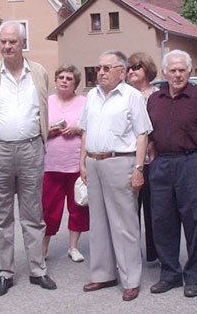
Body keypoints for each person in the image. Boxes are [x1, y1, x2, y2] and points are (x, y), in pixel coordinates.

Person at [0, 21, 56, 297]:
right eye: (3, 41)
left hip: (32, 149)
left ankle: (37, 269)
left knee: (33, 213)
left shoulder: (39, 73)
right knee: (1, 216)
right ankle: (4, 273)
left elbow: (43, 109)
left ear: (23, 43)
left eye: (13, 41)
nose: (7, 46)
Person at [79, 50, 152, 301]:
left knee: (124, 224)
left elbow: (142, 134)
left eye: (107, 68)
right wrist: (83, 162)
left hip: (120, 162)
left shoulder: (131, 97)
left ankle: (131, 279)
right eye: (99, 68)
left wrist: (139, 168)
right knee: (97, 222)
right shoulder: (91, 95)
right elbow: (85, 130)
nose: (101, 72)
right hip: (94, 162)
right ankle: (103, 274)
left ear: (122, 72)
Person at [147, 49, 197, 298]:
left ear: (190, 71)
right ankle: (170, 273)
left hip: (190, 163)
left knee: (193, 221)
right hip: (162, 165)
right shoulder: (154, 99)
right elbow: (150, 136)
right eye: (172, 70)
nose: (177, 75)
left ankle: (193, 276)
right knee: (162, 221)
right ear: (164, 72)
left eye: (182, 70)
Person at [41, 64, 89, 261]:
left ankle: (73, 247)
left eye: (69, 78)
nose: (64, 81)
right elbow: (35, 129)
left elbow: (89, 129)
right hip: (50, 164)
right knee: (48, 209)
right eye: (61, 77)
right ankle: (43, 248)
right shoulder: (46, 102)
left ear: (75, 83)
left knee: (78, 208)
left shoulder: (85, 103)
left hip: (76, 164)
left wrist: (78, 128)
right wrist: (48, 131)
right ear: (55, 81)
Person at [126, 52, 159, 263]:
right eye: (128, 68)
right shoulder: (125, 95)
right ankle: (130, 253)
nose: (130, 71)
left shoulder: (157, 96)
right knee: (129, 210)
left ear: (146, 69)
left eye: (135, 66)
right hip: (128, 160)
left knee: (153, 209)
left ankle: (154, 253)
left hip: (153, 161)